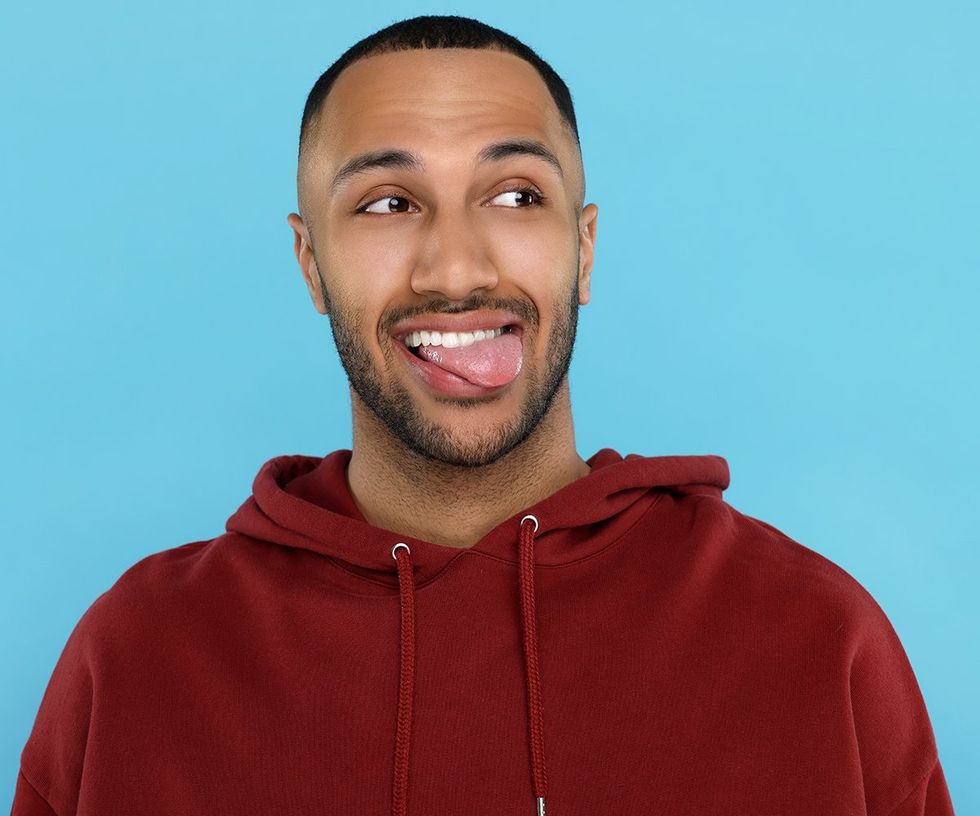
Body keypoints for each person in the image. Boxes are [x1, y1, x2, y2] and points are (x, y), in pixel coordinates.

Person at [12, 14, 954, 816]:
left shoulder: (816, 639)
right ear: (310, 266)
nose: (456, 269)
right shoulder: (137, 659)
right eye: (388, 202)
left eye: (515, 195)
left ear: (583, 250)